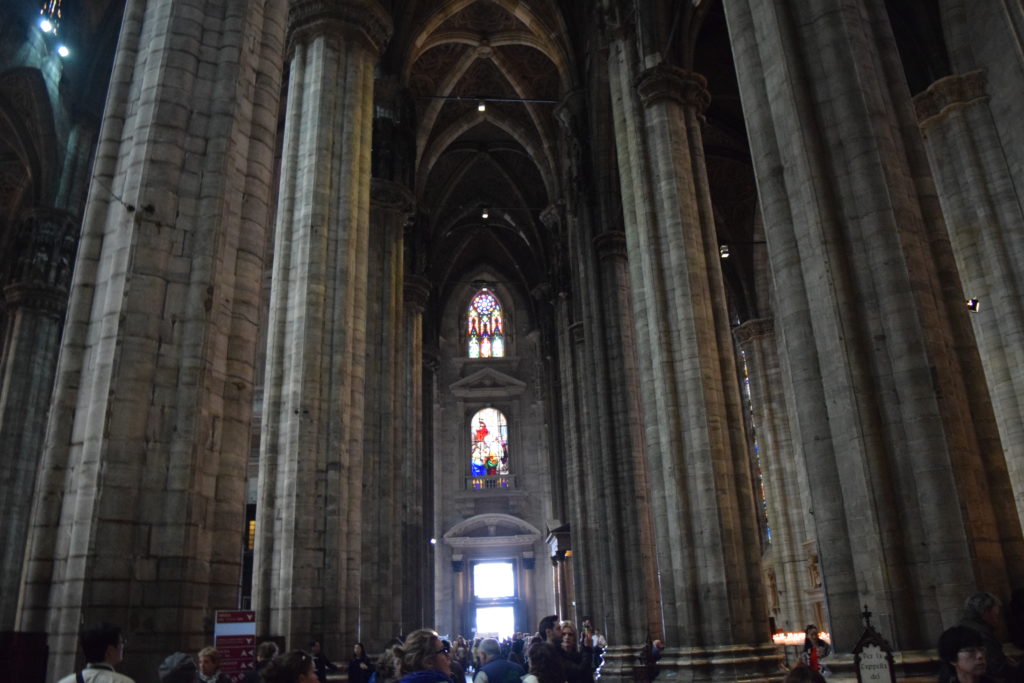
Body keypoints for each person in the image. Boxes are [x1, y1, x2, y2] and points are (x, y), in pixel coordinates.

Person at [958, 592, 1023, 683]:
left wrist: (1002, 659)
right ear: (986, 612)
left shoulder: (962, 626)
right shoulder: (981, 634)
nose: (998, 620)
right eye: (996, 615)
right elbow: (997, 670)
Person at [58, 622, 135, 683]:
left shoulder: (66, 681)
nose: (123, 646)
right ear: (110, 650)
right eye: (121, 642)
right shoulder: (123, 681)